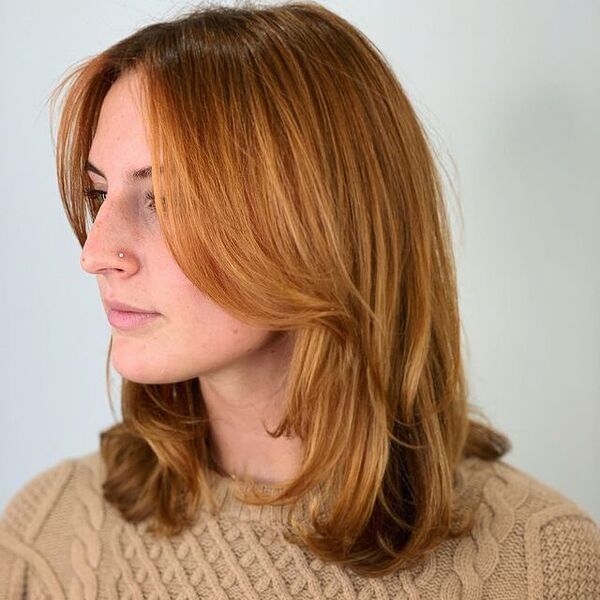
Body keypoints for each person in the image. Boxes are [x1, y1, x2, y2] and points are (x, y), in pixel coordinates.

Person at [1, 1, 598, 598]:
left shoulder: (543, 565)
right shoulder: (48, 539)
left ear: (321, 224)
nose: (96, 251)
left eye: (166, 199)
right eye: (97, 193)